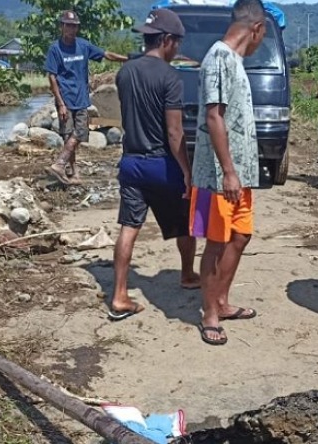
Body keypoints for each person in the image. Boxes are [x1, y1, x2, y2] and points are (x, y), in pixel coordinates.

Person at [107, 8, 200, 321]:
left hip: (131, 163)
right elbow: (174, 132)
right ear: (167, 40)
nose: (177, 49)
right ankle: (188, 274)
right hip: (161, 164)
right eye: (177, 43)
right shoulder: (170, 77)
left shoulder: (125, 73)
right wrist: (186, 171)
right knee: (185, 222)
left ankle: (120, 294)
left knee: (129, 227)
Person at [190, 0, 267, 346]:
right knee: (217, 241)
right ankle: (209, 313)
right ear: (257, 29)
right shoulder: (219, 57)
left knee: (240, 236)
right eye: (262, 37)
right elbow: (214, 116)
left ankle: (221, 301)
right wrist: (228, 171)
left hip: (240, 175)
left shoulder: (234, 60)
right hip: (219, 177)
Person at [45, 10, 128, 185]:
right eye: (68, 26)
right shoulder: (55, 49)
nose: (71, 29)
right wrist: (60, 103)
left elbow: (106, 54)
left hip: (81, 99)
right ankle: (72, 172)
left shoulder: (83, 45)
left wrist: (127, 59)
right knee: (68, 136)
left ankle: (60, 164)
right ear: (62, 27)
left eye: (74, 26)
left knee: (80, 133)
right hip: (65, 100)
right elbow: (52, 77)